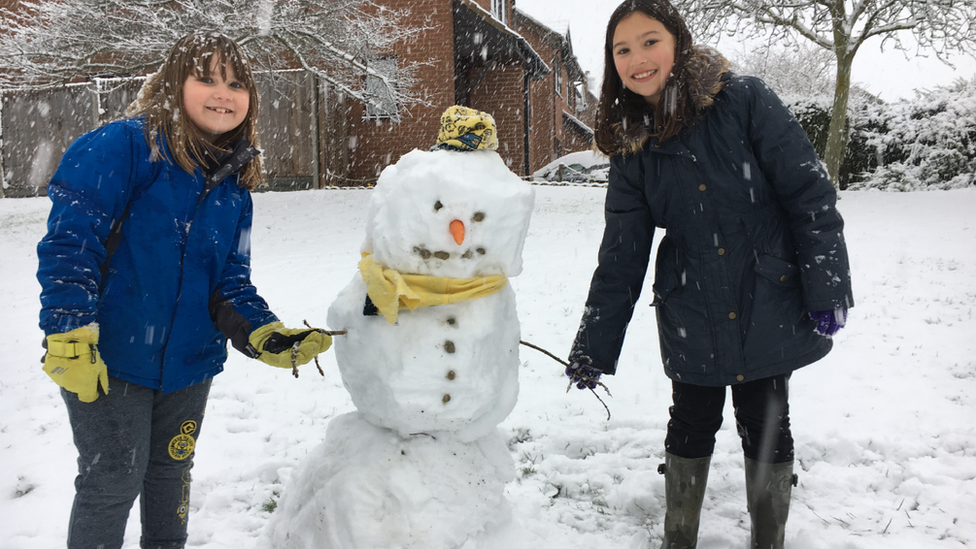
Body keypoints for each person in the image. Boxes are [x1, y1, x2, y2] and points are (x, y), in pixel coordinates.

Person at [565, 1, 853, 548]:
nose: (637, 59)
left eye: (650, 41)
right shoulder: (632, 141)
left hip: (765, 292)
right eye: (621, 49)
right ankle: (680, 538)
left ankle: (768, 539)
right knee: (691, 420)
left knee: (767, 418)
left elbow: (809, 194)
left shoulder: (744, 99)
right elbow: (622, 252)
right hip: (689, 302)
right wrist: (593, 345)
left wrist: (828, 284)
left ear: (677, 40)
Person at [37, 33, 333, 549]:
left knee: (171, 474)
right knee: (113, 481)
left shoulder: (233, 184)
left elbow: (228, 281)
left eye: (237, 83)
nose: (224, 93)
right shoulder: (121, 147)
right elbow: (70, 246)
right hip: (108, 357)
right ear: (174, 84)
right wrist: (68, 332)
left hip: (189, 364)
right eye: (207, 78)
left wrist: (263, 332)